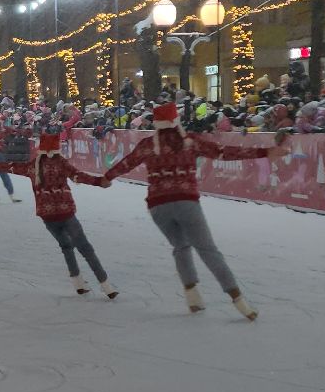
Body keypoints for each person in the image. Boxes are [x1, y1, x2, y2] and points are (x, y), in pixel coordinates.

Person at [102, 100, 285, 319]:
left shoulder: (148, 145)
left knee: (180, 247)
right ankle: (238, 299)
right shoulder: (190, 141)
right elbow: (224, 152)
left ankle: (192, 296)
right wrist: (265, 152)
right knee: (207, 250)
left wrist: (106, 178)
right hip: (186, 202)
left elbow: (126, 163)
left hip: (158, 206)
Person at [0, 131, 116, 296]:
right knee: (85, 248)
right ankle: (105, 284)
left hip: (47, 216)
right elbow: (78, 176)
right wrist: (99, 182)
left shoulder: (33, 165)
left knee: (66, 246)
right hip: (65, 212)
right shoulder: (61, 163)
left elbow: (7, 167)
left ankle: (78, 282)